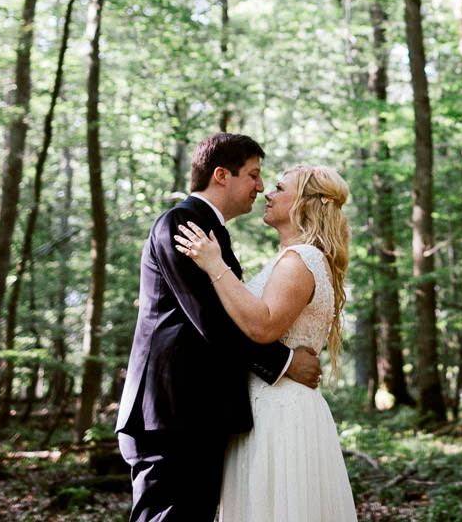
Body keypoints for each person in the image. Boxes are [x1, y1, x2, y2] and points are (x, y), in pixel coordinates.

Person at [115, 132, 323, 522]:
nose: (261, 188)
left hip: (195, 415)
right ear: (222, 175)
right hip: (169, 414)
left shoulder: (210, 231)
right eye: (254, 175)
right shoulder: (182, 224)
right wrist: (284, 362)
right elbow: (210, 320)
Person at [174, 162, 356, 522]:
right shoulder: (294, 258)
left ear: (304, 202)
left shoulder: (300, 260)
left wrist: (214, 266)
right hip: (271, 404)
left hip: (278, 410)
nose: (266, 193)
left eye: (279, 187)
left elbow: (262, 327)